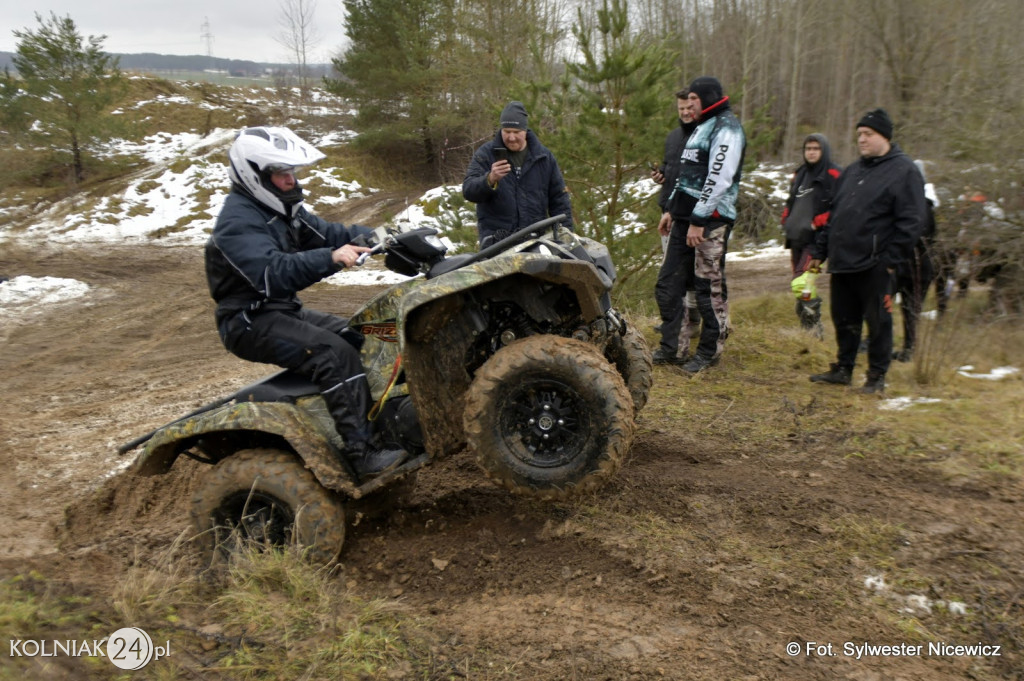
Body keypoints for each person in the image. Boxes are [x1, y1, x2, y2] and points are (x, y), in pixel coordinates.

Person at [205, 126, 407, 479]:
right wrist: (330, 258)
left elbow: (328, 233)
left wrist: (380, 235)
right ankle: (361, 455)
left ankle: (372, 424)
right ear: (255, 176)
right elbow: (272, 273)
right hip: (248, 321)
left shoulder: (282, 209)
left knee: (361, 335)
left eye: (292, 172)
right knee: (332, 353)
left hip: (281, 310)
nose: (290, 180)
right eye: (282, 174)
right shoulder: (236, 224)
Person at [808, 109, 926, 394]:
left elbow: (911, 222)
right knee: (843, 318)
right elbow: (834, 216)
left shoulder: (904, 170)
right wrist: (820, 253)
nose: (861, 139)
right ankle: (843, 369)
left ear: (884, 136)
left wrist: (890, 261)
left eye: (868, 134)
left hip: (876, 265)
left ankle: (876, 377)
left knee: (878, 323)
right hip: (843, 261)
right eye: (859, 134)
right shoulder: (852, 171)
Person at [659, 76, 747, 374]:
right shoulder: (702, 127)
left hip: (712, 221)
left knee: (707, 287)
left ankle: (710, 351)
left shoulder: (727, 128)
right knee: (674, 283)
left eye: (694, 99)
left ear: (707, 98)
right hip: (683, 219)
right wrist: (672, 209)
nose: (689, 105)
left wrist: (699, 220)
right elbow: (686, 176)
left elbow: (718, 179)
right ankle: (676, 347)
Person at [462, 101, 574, 247]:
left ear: (525, 131)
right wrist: (490, 179)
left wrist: (566, 236)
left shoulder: (544, 157)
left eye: (516, 132)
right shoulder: (486, 154)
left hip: (536, 242)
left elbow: (559, 200)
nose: (511, 137)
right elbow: (468, 190)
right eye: (507, 132)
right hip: (496, 244)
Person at [651, 88, 702, 364]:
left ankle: (698, 326)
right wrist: (660, 175)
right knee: (672, 278)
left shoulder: (704, 136)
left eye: (689, 108)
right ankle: (676, 328)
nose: (685, 113)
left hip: (698, 218)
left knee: (697, 278)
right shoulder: (673, 137)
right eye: (681, 108)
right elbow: (670, 170)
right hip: (669, 213)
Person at [780, 134, 842, 338]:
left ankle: (815, 332)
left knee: (801, 283)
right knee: (800, 287)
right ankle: (809, 333)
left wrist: (820, 221)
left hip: (816, 242)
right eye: (808, 149)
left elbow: (841, 207)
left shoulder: (834, 174)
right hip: (795, 238)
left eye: (816, 148)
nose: (811, 152)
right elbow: (791, 201)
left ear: (823, 150)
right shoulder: (799, 173)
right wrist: (786, 218)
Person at [892, 160, 938, 362]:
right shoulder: (902, 203)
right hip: (900, 264)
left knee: (910, 310)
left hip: (919, 267)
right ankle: (881, 344)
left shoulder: (925, 207)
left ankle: (909, 350)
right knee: (883, 304)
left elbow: (927, 237)